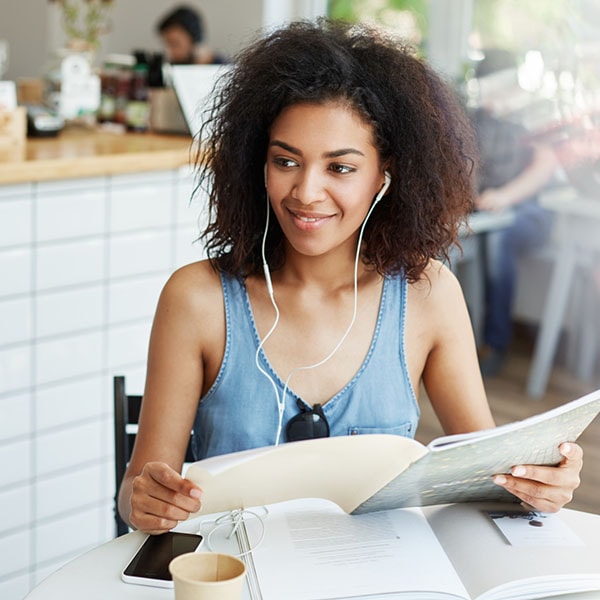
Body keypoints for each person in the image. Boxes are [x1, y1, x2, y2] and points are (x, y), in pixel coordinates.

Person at [118, 20, 583, 535]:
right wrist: (146, 500)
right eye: (285, 161)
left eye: (340, 168)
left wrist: (539, 484)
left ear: (385, 175)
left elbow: (489, 481)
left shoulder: (429, 296)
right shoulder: (197, 299)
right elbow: (137, 495)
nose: (306, 192)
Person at [472, 48, 559, 377]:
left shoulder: (533, 114)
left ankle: (496, 344)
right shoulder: (477, 118)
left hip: (530, 211)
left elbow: (545, 166)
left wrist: (505, 196)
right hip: (486, 207)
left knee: (498, 238)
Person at [156, 4, 226, 65]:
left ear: (195, 40)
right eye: (167, 44)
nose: (169, 51)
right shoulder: (168, 67)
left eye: (175, 44)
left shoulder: (221, 66)